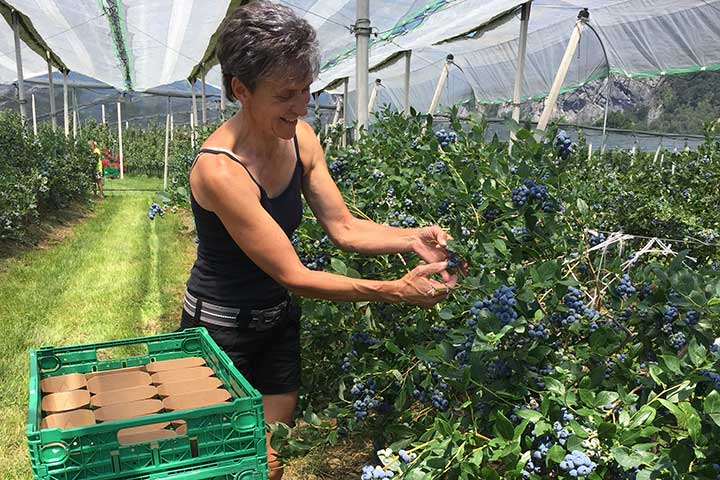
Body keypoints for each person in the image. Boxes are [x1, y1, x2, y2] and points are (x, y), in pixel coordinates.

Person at [179, 2, 457, 478]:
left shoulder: (301, 138)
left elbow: (344, 228)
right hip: (219, 334)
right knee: (220, 462)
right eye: (287, 94)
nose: (303, 106)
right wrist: (393, 291)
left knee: (270, 460)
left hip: (275, 323)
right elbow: (294, 274)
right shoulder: (220, 170)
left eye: (307, 89)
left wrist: (411, 239)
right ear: (240, 90)